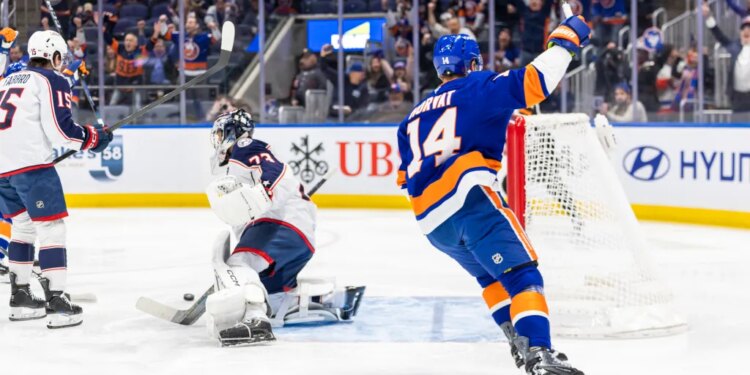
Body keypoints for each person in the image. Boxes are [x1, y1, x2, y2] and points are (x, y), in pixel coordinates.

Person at [395, 15, 590, 374]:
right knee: (522, 276)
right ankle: (539, 353)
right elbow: (535, 81)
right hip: (471, 200)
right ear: (472, 64)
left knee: (490, 277)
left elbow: (404, 177)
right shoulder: (478, 87)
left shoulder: (410, 119)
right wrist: (566, 39)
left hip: (431, 222)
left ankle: (519, 345)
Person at [204, 110, 364, 346]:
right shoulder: (236, 166)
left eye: (219, 132)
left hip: (280, 225)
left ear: (231, 132)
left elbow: (271, 170)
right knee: (272, 297)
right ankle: (334, 299)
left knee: (240, 264)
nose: (217, 139)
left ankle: (256, 320)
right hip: (295, 234)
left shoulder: (245, 146)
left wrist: (265, 191)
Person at [0, 30, 112, 329]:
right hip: (31, 168)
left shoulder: (9, 79)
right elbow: (61, 131)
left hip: (2, 169)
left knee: (22, 227)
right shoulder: (52, 79)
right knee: (51, 228)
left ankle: (21, 297)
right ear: (56, 57)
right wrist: (93, 138)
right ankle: (57, 302)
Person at [704, 4, 750, 113]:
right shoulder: (735, 47)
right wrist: (708, 17)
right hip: (738, 96)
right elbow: (719, 35)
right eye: (743, 28)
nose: (746, 31)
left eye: (749, 28)